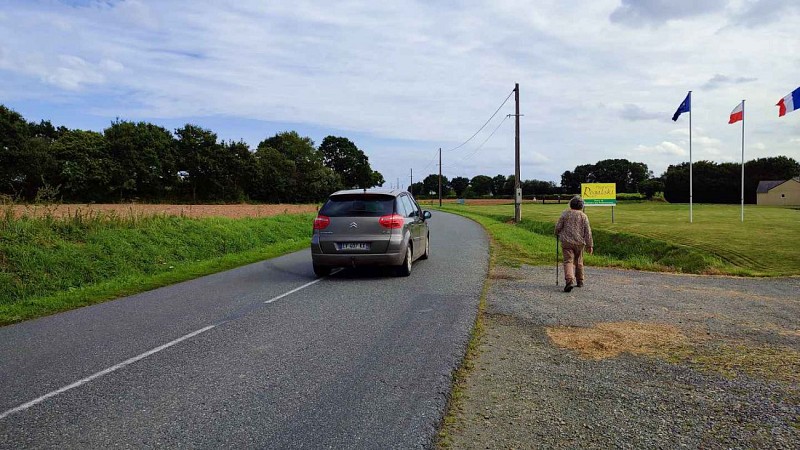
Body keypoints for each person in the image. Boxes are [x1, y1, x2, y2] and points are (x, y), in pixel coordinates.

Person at [555, 195, 594, 292]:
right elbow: (587, 231)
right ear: (581, 206)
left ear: (571, 204)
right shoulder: (583, 216)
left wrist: (556, 232)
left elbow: (558, 226)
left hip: (567, 242)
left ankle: (569, 280)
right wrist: (590, 245)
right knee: (579, 261)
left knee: (568, 261)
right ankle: (580, 281)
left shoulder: (565, 214)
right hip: (579, 242)